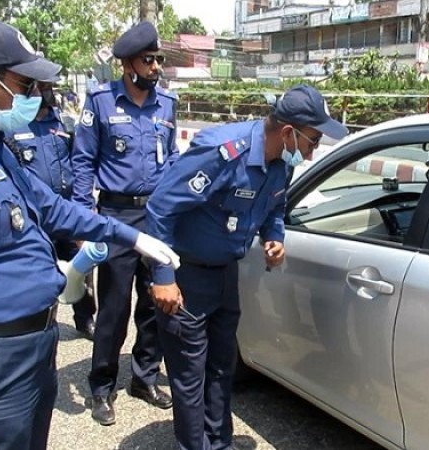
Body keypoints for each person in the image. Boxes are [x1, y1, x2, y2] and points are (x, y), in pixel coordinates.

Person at [0, 19, 179, 450]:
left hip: (35, 348)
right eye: (24, 85)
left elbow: (50, 207)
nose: (32, 97)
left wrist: (130, 237)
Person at [147, 84, 348, 450]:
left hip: (225, 276)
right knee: (190, 376)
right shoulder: (222, 152)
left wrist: (275, 237)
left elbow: (274, 208)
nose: (313, 150)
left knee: (222, 368)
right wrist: (162, 277)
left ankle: (219, 442)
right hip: (186, 277)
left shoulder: (279, 165)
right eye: (313, 141)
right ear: (289, 133)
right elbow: (161, 208)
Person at [72, 20, 179, 426]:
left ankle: (144, 377)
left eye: (158, 60)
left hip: (155, 215)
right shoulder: (100, 101)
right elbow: (82, 162)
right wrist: (85, 222)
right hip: (115, 214)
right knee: (114, 308)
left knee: (154, 303)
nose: (155, 67)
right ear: (127, 65)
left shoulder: (166, 104)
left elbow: (170, 158)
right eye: (148, 60)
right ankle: (102, 387)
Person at [5, 80, 97, 340]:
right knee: (41, 271)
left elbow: (80, 165)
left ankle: (86, 318)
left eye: (49, 88)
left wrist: (84, 205)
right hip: (37, 215)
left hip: (67, 210)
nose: (49, 93)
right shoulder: (14, 127)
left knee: (82, 266)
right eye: (42, 88)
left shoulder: (65, 125)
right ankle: (44, 322)